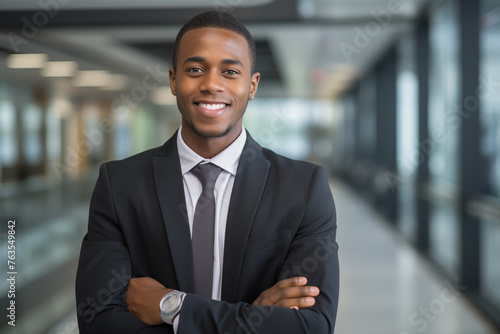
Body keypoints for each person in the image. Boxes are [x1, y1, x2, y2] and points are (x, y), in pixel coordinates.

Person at [75, 10, 339, 334]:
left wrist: (172, 306)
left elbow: (312, 326)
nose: (211, 84)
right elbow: (97, 321)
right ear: (174, 80)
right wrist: (252, 319)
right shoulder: (120, 186)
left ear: (252, 85)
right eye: (196, 69)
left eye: (229, 71)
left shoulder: (304, 188)